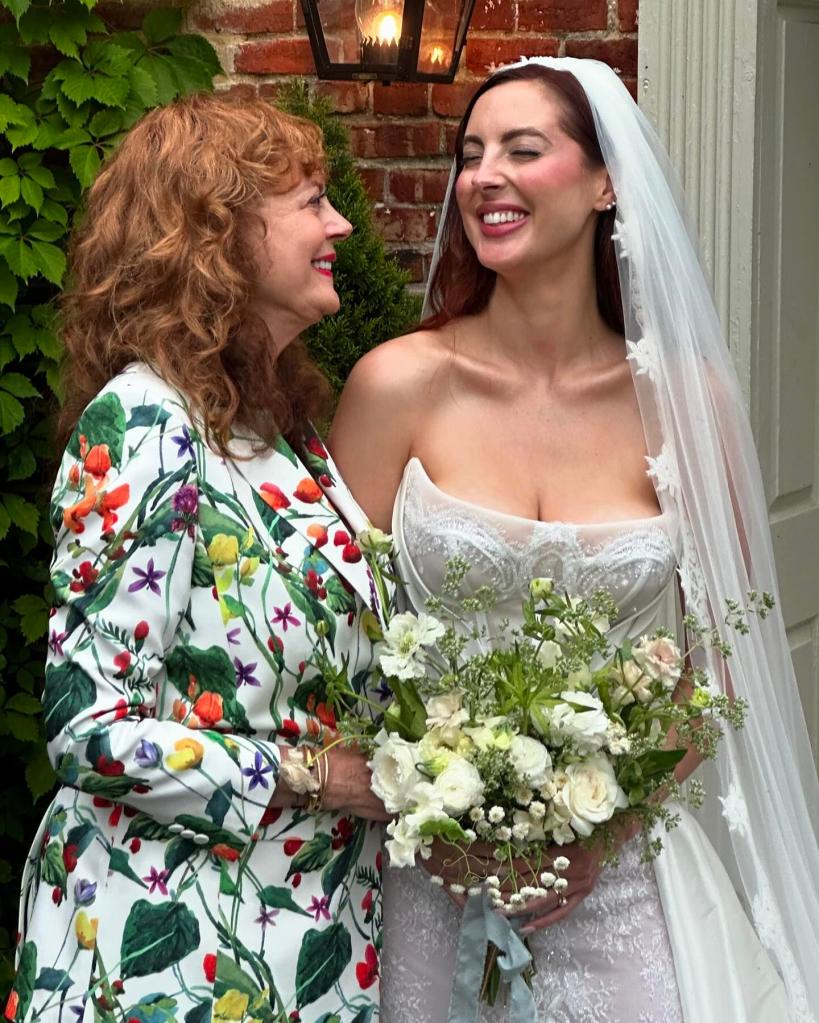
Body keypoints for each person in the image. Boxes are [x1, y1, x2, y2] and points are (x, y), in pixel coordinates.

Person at [329, 58, 819, 1021]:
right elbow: (330, 633)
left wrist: (600, 823)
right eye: (470, 155)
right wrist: (423, 786)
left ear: (604, 185)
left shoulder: (684, 404)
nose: (484, 178)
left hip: (623, 880)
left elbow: (718, 664)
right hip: (427, 878)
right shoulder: (397, 384)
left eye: (522, 149)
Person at [7, 94, 391, 1023]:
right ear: (214, 234)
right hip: (166, 946)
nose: (339, 223)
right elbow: (87, 726)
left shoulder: (275, 426)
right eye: (309, 201)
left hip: (297, 933)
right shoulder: (145, 422)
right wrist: (316, 774)